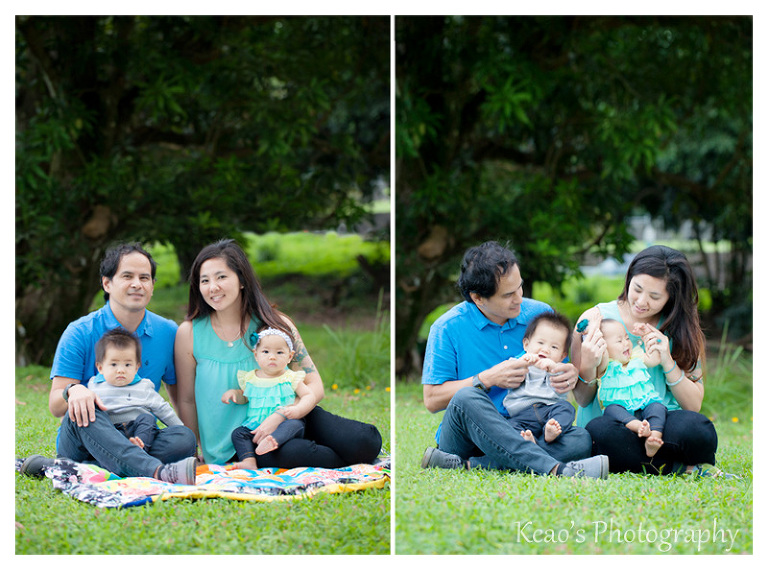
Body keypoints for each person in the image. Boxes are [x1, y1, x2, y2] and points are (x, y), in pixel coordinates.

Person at [174, 238, 383, 468]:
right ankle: (345, 459)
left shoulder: (275, 325)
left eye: (221, 277)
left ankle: (348, 452)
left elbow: (314, 383)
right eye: (205, 280)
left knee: (365, 441)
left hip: (293, 417)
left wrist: (282, 416)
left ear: (242, 280)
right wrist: (191, 452)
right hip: (243, 444)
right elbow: (187, 400)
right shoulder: (189, 334)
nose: (213, 287)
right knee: (298, 452)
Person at [420, 241, 609, 479]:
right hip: (469, 437)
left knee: (580, 439)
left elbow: (565, 368)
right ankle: (557, 469)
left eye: (520, 287)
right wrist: (487, 378)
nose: (519, 298)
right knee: (466, 397)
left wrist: (569, 372)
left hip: (529, 429)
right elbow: (432, 399)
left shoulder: (540, 314)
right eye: (508, 295)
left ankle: (469, 465)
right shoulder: (447, 328)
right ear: (478, 298)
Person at [21, 243, 197, 483]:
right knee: (86, 406)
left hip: (139, 435)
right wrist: (75, 391)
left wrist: (194, 445)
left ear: (153, 286)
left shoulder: (167, 332)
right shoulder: (79, 332)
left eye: (144, 278)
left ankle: (77, 469)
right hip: (86, 435)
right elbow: (55, 406)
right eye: (127, 276)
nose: (137, 284)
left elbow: (179, 398)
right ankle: (156, 471)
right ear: (107, 283)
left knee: (183, 439)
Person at [571, 245, 717, 474]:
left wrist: (667, 360)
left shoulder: (680, 329)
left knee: (700, 431)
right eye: (637, 289)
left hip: (659, 423)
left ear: (672, 297)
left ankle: (637, 460)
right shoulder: (595, 319)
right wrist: (588, 365)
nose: (641, 301)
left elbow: (693, 405)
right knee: (598, 433)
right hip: (613, 425)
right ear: (629, 278)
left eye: (654, 296)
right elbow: (581, 399)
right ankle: (676, 466)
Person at [223, 326, 317, 469]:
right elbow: (245, 397)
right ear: (256, 355)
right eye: (265, 352)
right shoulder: (250, 378)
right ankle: (249, 461)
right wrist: (234, 394)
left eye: (279, 352)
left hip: (284, 423)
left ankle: (273, 440)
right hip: (256, 426)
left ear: (290, 356)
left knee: (295, 424)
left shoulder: (290, 377)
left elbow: (309, 395)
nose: (272, 357)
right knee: (238, 434)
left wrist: (298, 410)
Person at [88, 327, 186, 453]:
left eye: (128, 365)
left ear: (137, 367)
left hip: (138, 430)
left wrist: (181, 429)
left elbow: (162, 409)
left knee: (147, 418)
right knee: (97, 421)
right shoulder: (94, 386)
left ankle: (139, 448)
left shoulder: (143, 387)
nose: (121, 370)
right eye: (113, 364)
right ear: (100, 367)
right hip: (111, 432)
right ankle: (120, 454)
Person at [503, 311, 579, 445]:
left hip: (549, 412)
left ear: (562, 355)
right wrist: (524, 363)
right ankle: (528, 441)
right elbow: (509, 381)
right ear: (526, 344)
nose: (546, 350)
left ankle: (551, 431)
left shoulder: (559, 369)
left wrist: (553, 369)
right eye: (540, 343)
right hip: (521, 415)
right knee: (507, 429)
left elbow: (562, 390)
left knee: (567, 408)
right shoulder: (517, 362)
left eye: (554, 347)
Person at [594, 318, 667, 458]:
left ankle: (653, 438)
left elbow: (655, 359)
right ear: (604, 347)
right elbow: (599, 356)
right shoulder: (605, 365)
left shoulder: (637, 357)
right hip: (621, 410)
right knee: (611, 410)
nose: (626, 343)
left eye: (627, 338)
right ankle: (639, 427)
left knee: (658, 407)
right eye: (619, 341)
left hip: (645, 404)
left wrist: (646, 337)